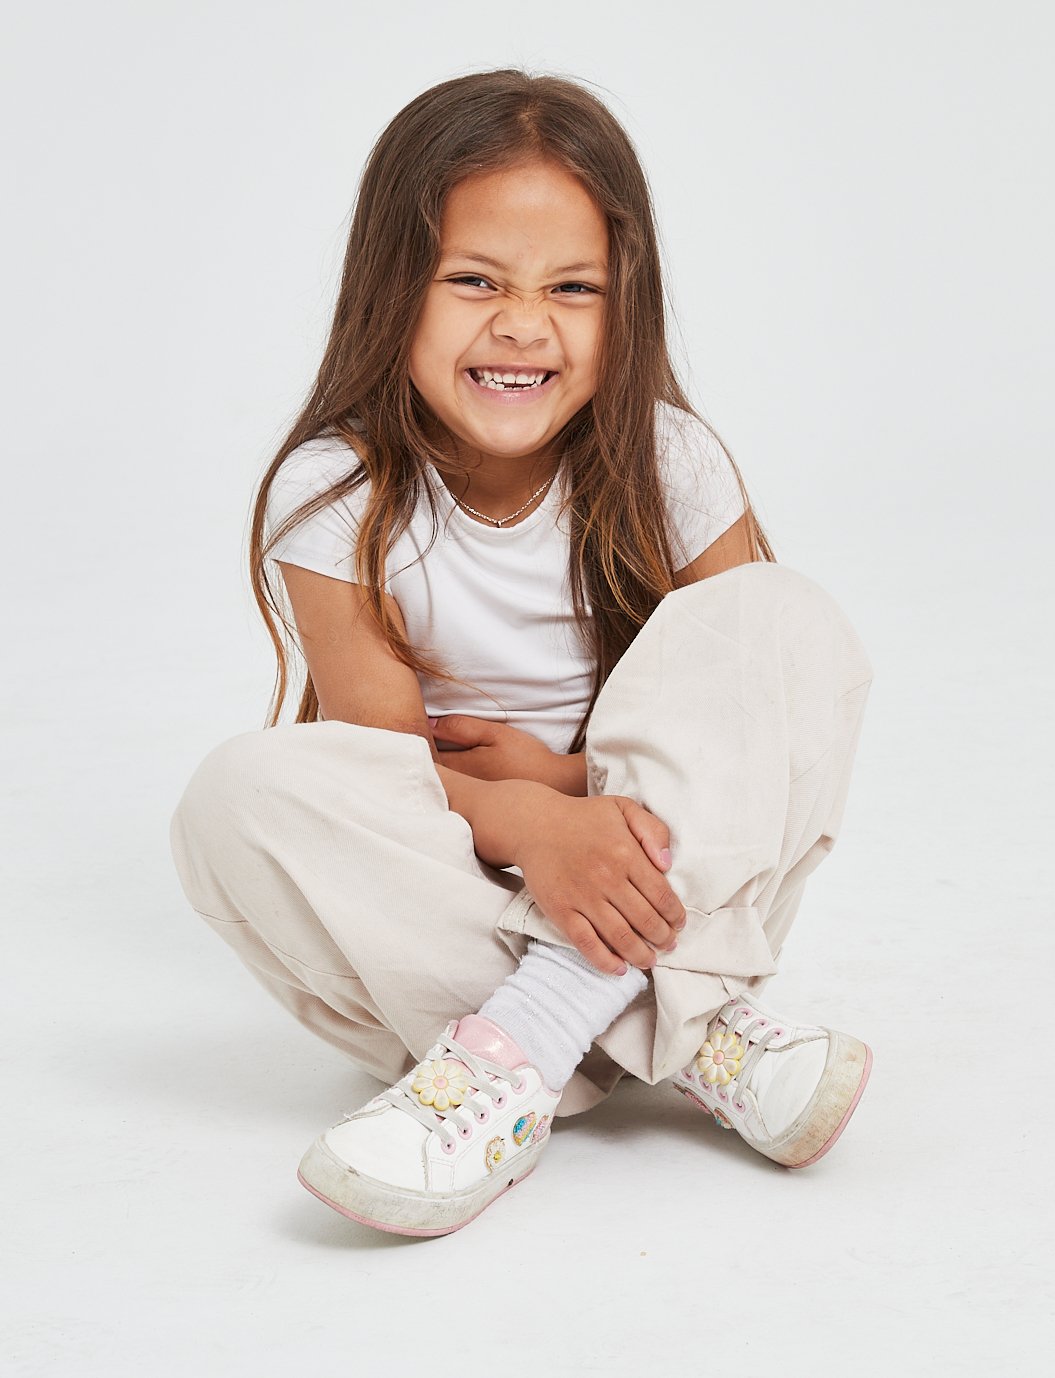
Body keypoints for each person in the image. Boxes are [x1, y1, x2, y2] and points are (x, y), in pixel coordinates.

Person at [169, 69, 876, 1238]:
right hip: (460, 909)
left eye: (572, 287)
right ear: (393, 288)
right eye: (475, 280)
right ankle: (692, 1030)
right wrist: (527, 824)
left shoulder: (670, 460)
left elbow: (743, 718)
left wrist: (565, 787)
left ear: (624, 302)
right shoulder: (338, 493)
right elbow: (385, 770)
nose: (523, 323)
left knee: (782, 615)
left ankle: (527, 1040)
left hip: (660, 874)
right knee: (236, 793)